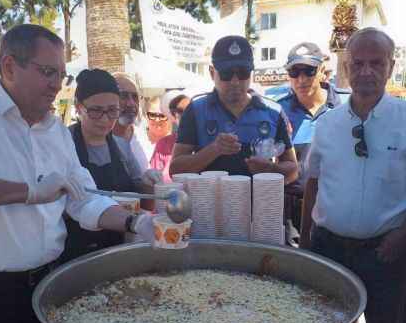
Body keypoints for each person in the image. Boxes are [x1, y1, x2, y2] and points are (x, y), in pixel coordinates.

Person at [0, 24, 154, 323]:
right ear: (9, 66)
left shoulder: (55, 132)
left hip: (49, 281)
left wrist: (136, 223)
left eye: (60, 75)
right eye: (47, 72)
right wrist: (30, 192)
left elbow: (83, 198)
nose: (55, 85)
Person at [300, 27, 406, 323]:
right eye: (357, 63)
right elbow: (313, 183)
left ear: (390, 66)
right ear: (346, 68)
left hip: (386, 253)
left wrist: (403, 237)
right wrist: (306, 241)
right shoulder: (327, 125)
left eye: (375, 63)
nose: (366, 71)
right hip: (330, 250)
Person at [170, 35, 298, 182]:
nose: (235, 81)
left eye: (243, 73)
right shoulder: (196, 110)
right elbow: (175, 170)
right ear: (212, 73)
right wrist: (213, 150)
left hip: (260, 203)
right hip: (210, 203)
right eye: (226, 73)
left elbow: (293, 171)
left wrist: (271, 168)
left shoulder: (273, 112)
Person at [64, 68, 162, 259]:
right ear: (78, 107)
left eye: (112, 111)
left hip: (118, 245)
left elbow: (144, 199)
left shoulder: (120, 146)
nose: (105, 119)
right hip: (75, 249)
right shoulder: (64, 143)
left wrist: (149, 183)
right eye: (95, 111)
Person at [278, 42, 349, 246]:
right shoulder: (277, 111)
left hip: (333, 206)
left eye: (309, 71)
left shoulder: (346, 105)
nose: (301, 79)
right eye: (294, 71)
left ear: (321, 71)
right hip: (291, 209)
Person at [112, 72, 150, 172]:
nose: (131, 103)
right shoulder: (99, 138)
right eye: (123, 96)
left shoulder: (142, 137)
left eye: (135, 97)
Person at [150, 89, 190, 182]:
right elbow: (155, 180)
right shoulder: (163, 144)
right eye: (178, 111)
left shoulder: (205, 139)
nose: (184, 115)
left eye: (188, 109)